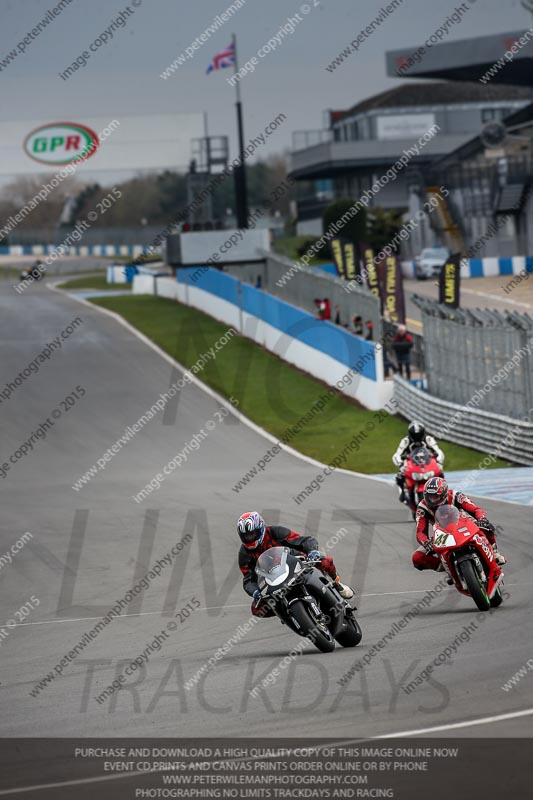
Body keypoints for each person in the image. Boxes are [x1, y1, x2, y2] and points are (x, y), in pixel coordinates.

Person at [237, 511, 354, 617]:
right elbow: (248, 579)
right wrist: (255, 591)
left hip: (296, 564)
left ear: (260, 528)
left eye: (252, 534)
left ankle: (337, 584)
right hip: (272, 581)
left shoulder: (275, 532)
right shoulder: (244, 554)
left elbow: (304, 540)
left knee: (324, 561)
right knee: (257, 609)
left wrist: (311, 551)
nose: (249, 538)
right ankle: (290, 614)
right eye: (246, 536)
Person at [412, 477, 506, 571]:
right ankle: (447, 567)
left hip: (465, 526)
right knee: (417, 558)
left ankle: (494, 552)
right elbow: (420, 532)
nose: (432, 500)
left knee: (487, 526)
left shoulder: (455, 496)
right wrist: (426, 542)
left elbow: (475, 509)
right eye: (429, 496)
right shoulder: (422, 508)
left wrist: (481, 519)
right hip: (442, 534)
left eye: (435, 496)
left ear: (444, 494)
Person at [392, 421, 444, 503]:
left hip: (427, 462)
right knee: (399, 477)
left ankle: (442, 491)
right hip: (411, 463)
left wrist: (439, 461)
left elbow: (439, 451)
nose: (417, 438)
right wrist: (400, 464)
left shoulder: (428, 439)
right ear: (410, 434)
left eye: (419, 435)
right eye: (415, 436)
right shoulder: (405, 441)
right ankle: (403, 492)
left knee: (440, 473)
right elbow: (397, 454)